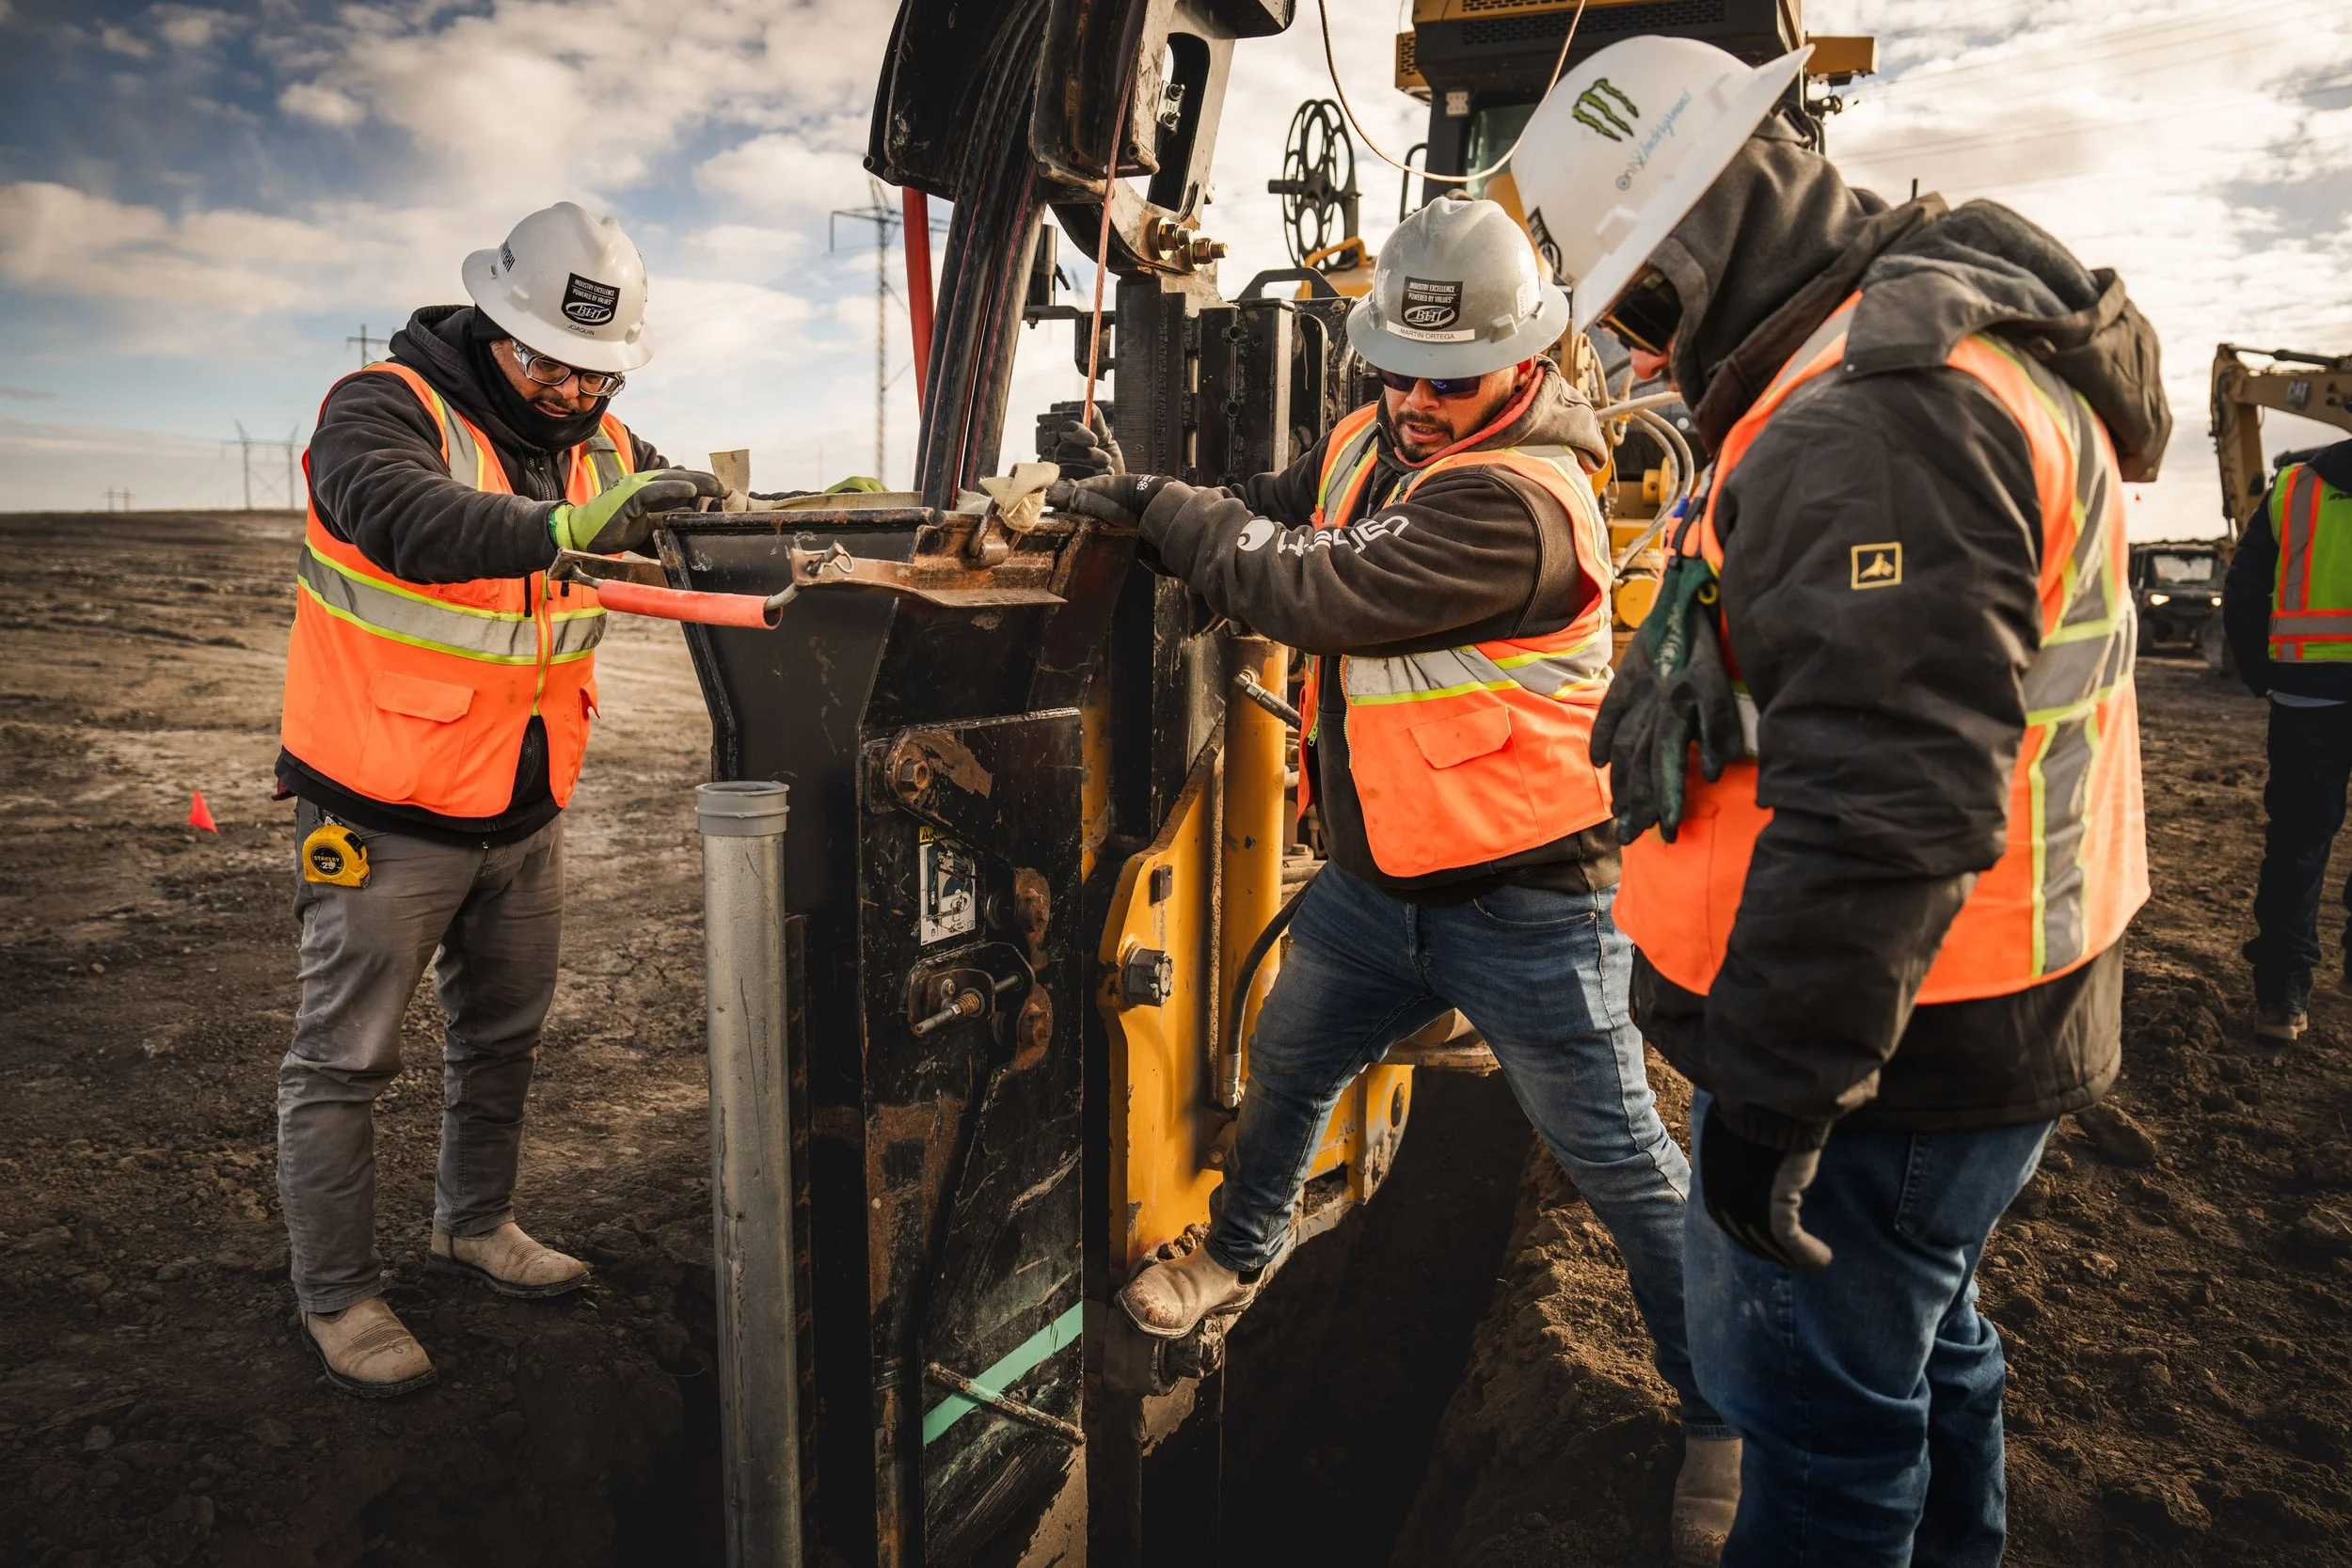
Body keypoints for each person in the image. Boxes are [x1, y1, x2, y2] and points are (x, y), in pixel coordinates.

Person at [1512, 34, 2169, 1567]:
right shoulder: (1895, 355)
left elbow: (1889, 803)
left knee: (1813, 1437)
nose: (1631, 343)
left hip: (1891, 1059)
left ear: (1683, 249)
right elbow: (1905, 704)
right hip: (1971, 1012)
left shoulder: (1871, 411)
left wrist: (1771, 1100)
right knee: (1929, 1355)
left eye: (1631, 298)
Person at [1054, 193, 1742, 1566]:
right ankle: (1241, 1253)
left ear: (1529, 358)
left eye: (1453, 381)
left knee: (1620, 1164)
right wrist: (1154, 493)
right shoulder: (1380, 432)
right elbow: (1282, 510)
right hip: (1381, 884)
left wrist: (1160, 508)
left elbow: (1312, 589)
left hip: (1532, 902)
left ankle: (1725, 1409)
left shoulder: (1524, 503)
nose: (1421, 406)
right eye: (1402, 375)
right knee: (1290, 1062)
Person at [274, 201, 723, 1397]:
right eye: (555, 367)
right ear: (494, 324)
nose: (577, 394)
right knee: (345, 1059)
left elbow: (672, 531)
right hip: (380, 811)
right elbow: (399, 517)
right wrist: (566, 526)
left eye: (598, 375)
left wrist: (773, 520)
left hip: (525, 804)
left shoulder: (602, 437)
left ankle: (472, 1223)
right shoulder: (381, 408)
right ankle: (339, 1295)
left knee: (503, 1035)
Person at [2224, 438, 2352, 1041]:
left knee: (2298, 844)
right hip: (2307, 688)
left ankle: (2281, 998)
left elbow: (2245, 591)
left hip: (2307, 692)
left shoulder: (2296, 487)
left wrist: (2263, 674)